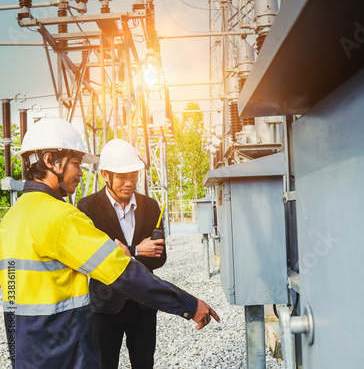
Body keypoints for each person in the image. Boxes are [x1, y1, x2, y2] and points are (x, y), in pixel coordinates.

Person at [0, 118, 219, 369]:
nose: (81, 173)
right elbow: (124, 273)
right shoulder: (62, 218)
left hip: (27, 354)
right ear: (50, 161)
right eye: (75, 164)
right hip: (66, 354)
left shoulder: (10, 220)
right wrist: (188, 305)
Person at [76, 139, 167, 369]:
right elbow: (93, 258)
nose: (129, 183)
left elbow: (160, 256)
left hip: (143, 303)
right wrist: (137, 250)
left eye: (133, 176)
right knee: (104, 365)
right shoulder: (87, 208)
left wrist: (125, 253)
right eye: (122, 177)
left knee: (144, 364)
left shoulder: (151, 206)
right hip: (105, 306)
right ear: (105, 174)